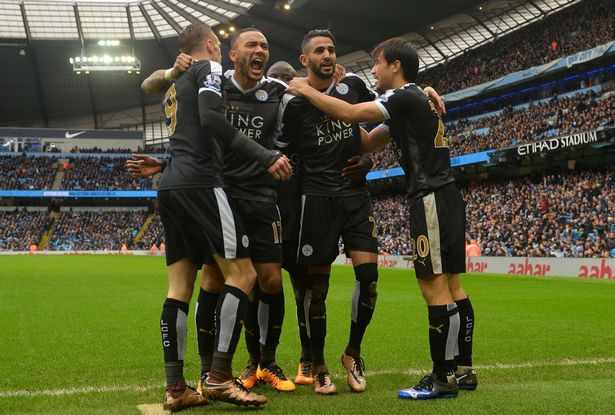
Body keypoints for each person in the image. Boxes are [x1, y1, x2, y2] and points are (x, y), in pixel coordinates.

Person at [286, 37, 477, 400]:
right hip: (447, 195)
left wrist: (304, 90)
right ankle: (462, 369)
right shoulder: (415, 99)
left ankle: (442, 377)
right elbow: (369, 140)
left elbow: (350, 113)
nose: (372, 70)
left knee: (433, 287)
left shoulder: (403, 96)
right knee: (453, 287)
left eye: (376, 63)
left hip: (430, 197)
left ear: (395, 66)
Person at [133, 22, 291, 411]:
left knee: (178, 288)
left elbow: (157, 92)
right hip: (204, 183)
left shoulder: (175, 82)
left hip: (171, 185)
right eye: (219, 46)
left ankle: (176, 388)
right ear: (210, 45)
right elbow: (211, 119)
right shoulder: (208, 69)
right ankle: (219, 378)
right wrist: (265, 155)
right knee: (245, 275)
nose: (220, 52)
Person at [275, 29, 381, 395]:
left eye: (332, 50)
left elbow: (388, 111)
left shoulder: (353, 87)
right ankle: (318, 366)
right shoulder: (292, 102)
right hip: (316, 200)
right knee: (315, 290)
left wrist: (368, 158)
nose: (328, 55)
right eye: (319, 50)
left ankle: (352, 354)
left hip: (356, 197)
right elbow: (280, 152)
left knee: (369, 280)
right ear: (304, 60)